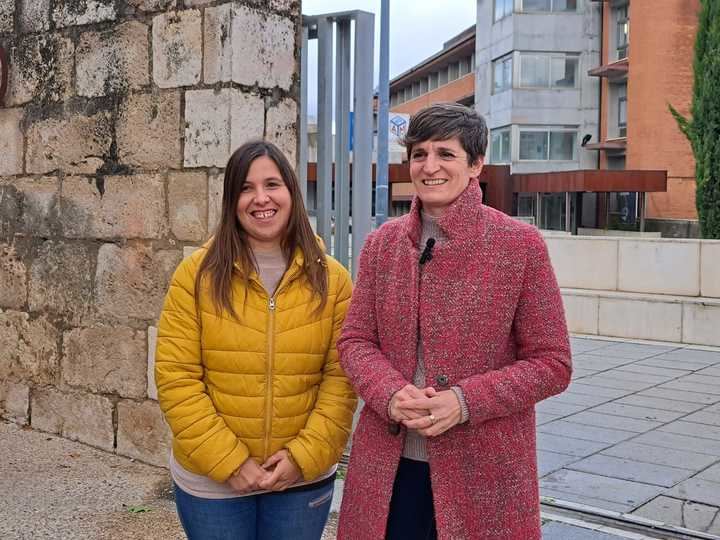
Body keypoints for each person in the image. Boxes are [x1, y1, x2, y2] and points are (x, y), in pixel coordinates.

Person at [336, 103, 571, 540]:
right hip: (388, 464)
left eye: (445, 154)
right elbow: (354, 341)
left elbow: (552, 363)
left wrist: (464, 401)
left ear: (476, 164)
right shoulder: (382, 244)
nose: (430, 167)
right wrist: (389, 392)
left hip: (484, 468)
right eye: (419, 154)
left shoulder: (519, 246)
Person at [155, 140, 357, 540]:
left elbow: (341, 380)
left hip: (301, 481)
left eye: (272, 184)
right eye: (246, 188)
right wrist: (230, 461)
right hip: (212, 483)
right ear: (232, 199)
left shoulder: (333, 280)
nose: (260, 198)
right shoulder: (195, 275)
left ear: (291, 193)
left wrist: (303, 457)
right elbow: (176, 378)